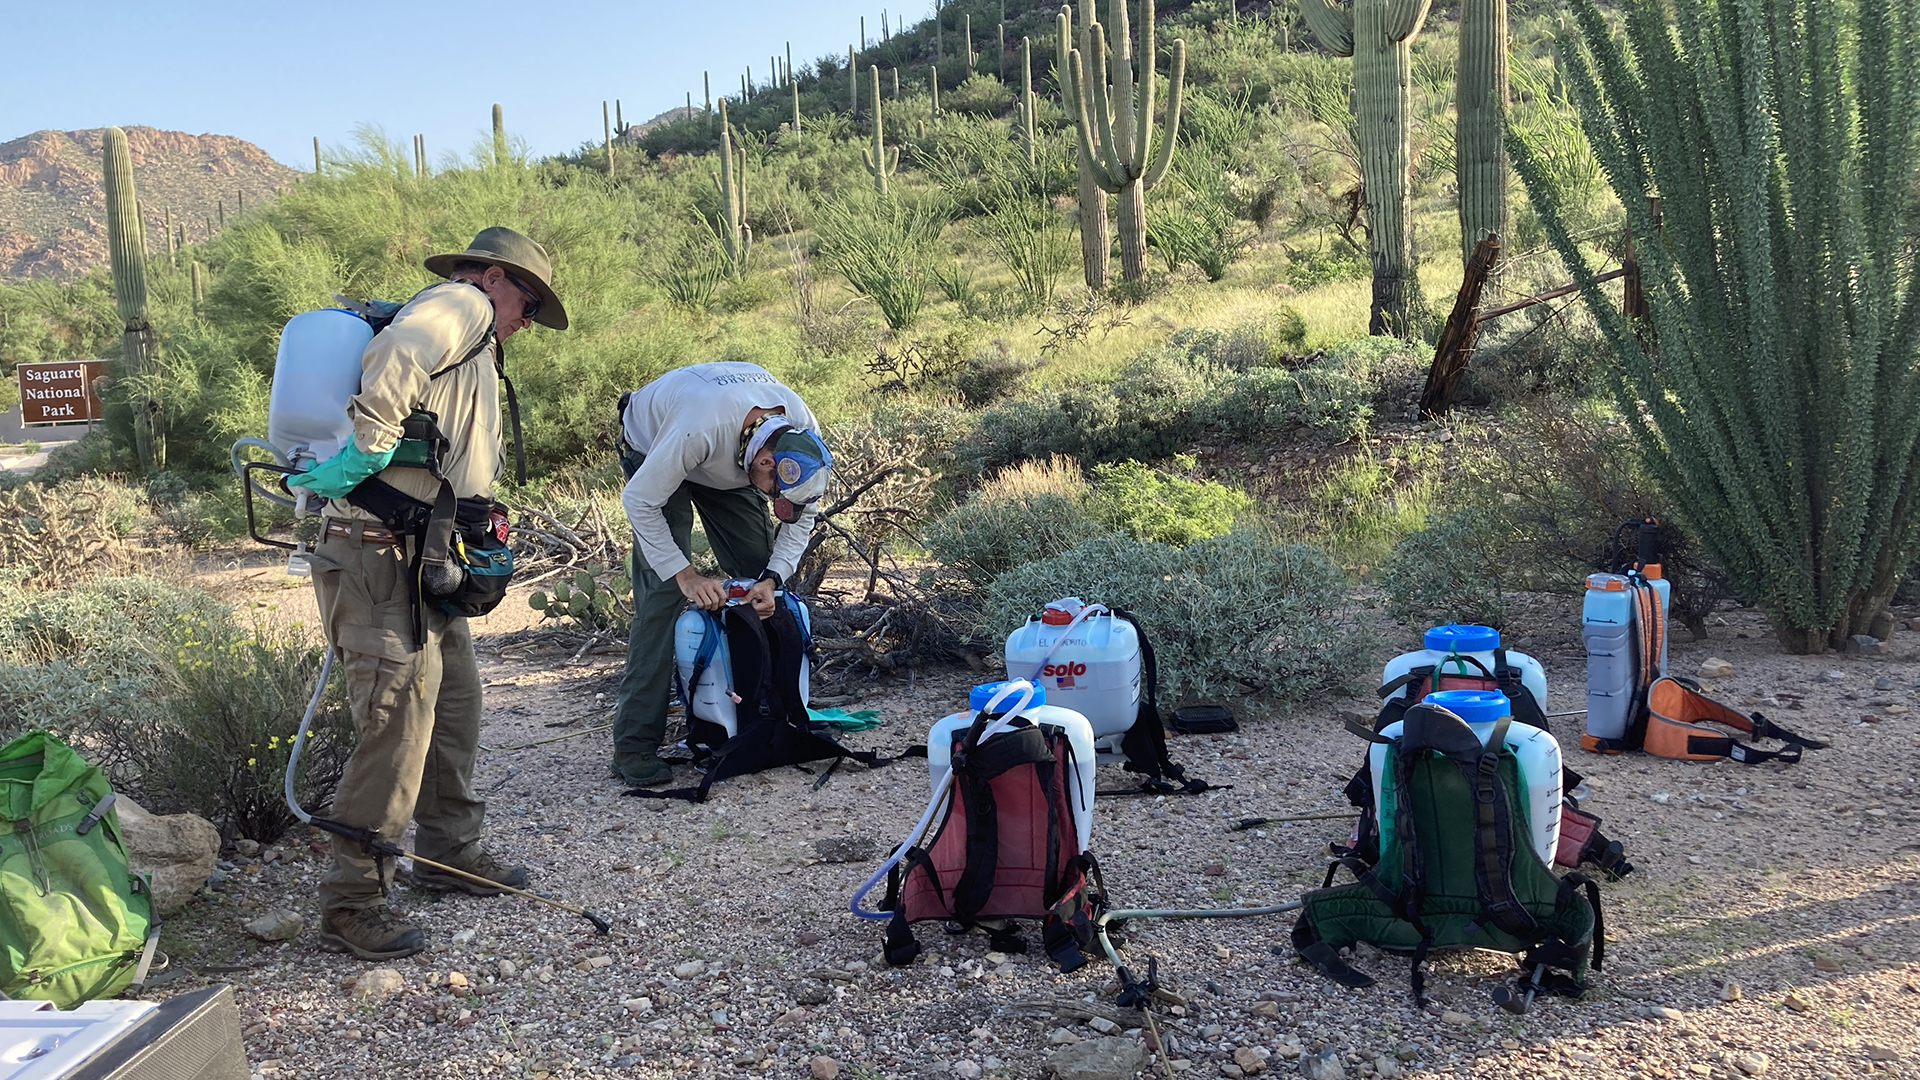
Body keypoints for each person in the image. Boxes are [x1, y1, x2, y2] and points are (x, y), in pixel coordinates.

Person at [288, 227, 568, 960]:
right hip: (379, 558)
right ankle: (352, 901)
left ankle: (450, 855)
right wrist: (372, 443)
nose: (525, 321)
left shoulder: (474, 336)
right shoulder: (462, 304)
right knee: (396, 723)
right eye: (528, 303)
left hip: (424, 558)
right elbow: (402, 352)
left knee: (454, 706)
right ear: (498, 278)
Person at [612, 362, 832, 787]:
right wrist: (686, 575)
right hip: (657, 442)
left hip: (727, 459)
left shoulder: (801, 434)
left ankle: (771, 717)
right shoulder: (699, 428)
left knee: (758, 584)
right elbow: (639, 501)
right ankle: (634, 745)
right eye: (772, 493)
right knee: (662, 597)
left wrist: (772, 577)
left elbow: (799, 519)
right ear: (767, 462)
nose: (775, 503)